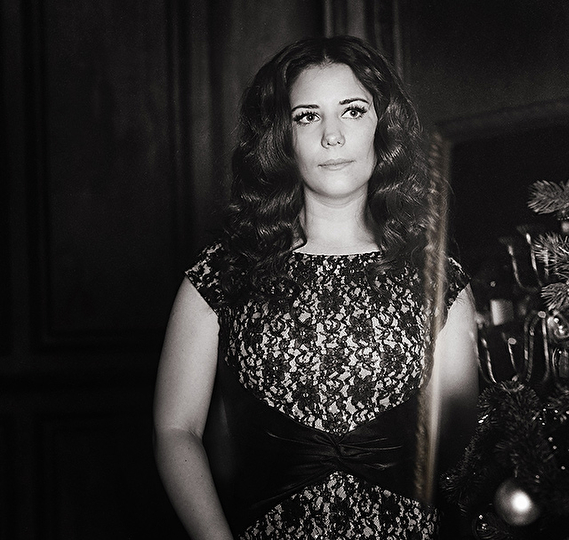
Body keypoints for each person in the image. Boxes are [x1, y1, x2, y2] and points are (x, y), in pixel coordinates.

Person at [152, 35, 479, 539]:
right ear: (280, 137)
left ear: (382, 124)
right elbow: (176, 431)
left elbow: (464, 454)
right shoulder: (224, 272)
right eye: (307, 116)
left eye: (353, 111)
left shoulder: (438, 279)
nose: (332, 136)